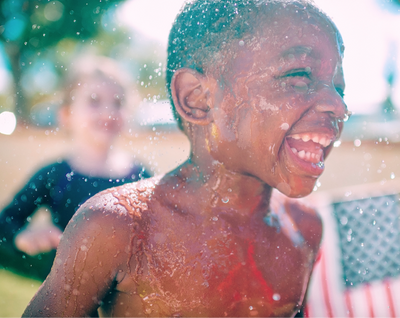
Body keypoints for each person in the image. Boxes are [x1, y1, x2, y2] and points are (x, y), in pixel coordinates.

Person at [23, 0, 348, 316]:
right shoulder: (121, 227)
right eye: (299, 75)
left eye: (338, 87)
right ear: (198, 98)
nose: (338, 105)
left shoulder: (304, 229)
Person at [0, 55, 151, 281]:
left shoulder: (141, 178)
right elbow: (5, 223)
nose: (108, 112)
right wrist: (22, 237)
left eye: (117, 103)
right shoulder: (55, 175)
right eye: (94, 100)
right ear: (67, 114)